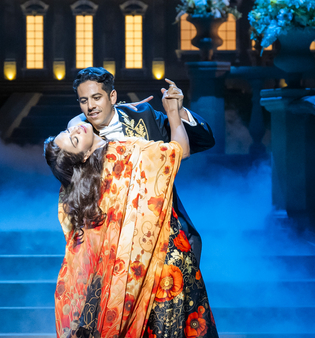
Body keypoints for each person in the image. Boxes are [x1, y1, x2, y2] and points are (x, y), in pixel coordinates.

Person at [44, 85, 222, 338]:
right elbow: (178, 152)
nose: (76, 129)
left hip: (131, 272)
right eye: (72, 138)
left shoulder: (81, 188)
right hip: (161, 262)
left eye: (68, 131)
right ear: (82, 156)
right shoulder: (125, 152)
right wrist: (172, 112)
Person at [67, 67, 214, 265]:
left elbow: (201, 141)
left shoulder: (142, 115)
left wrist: (178, 111)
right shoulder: (81, 136)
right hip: (111, 240)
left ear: (112, 96)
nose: (91, 106)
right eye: (84, 101)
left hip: (163, 230)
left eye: (97, 97)